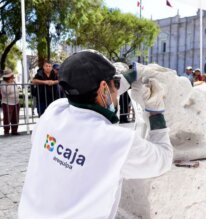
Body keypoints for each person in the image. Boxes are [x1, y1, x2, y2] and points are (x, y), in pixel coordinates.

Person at [18, 50, 173, 219]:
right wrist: (156, 112)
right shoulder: (116, 141)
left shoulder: (53, 112)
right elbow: (163, 159)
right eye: (114, 83)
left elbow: (94, 92)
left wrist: (132, 75)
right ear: (103, 88)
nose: (116, 89)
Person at [1, 69, 20, 135]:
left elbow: (16, 90)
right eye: (11, 76)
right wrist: (9, 83)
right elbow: (6, 92)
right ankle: (6, 131)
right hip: (7, 103)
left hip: (16, 102)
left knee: (16, 117)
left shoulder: (13, 82)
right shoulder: (3, 83)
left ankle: (14, 131)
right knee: (7, 118)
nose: (13, 77)